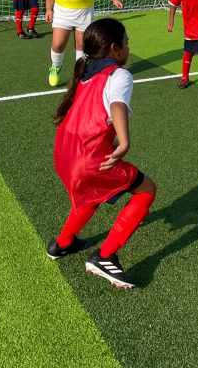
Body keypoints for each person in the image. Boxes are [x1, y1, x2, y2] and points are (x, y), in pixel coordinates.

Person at [47, 18, 156, 290]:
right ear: (115, 48)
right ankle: (105, 257)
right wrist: (124, 141)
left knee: (91, 195)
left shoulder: (85, 71)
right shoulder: (119, 75)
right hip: (87, 158)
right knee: (146, 190)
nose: (128, 47)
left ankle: (61, 244)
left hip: (64, 153)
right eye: (126, 42)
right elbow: (117, 105)